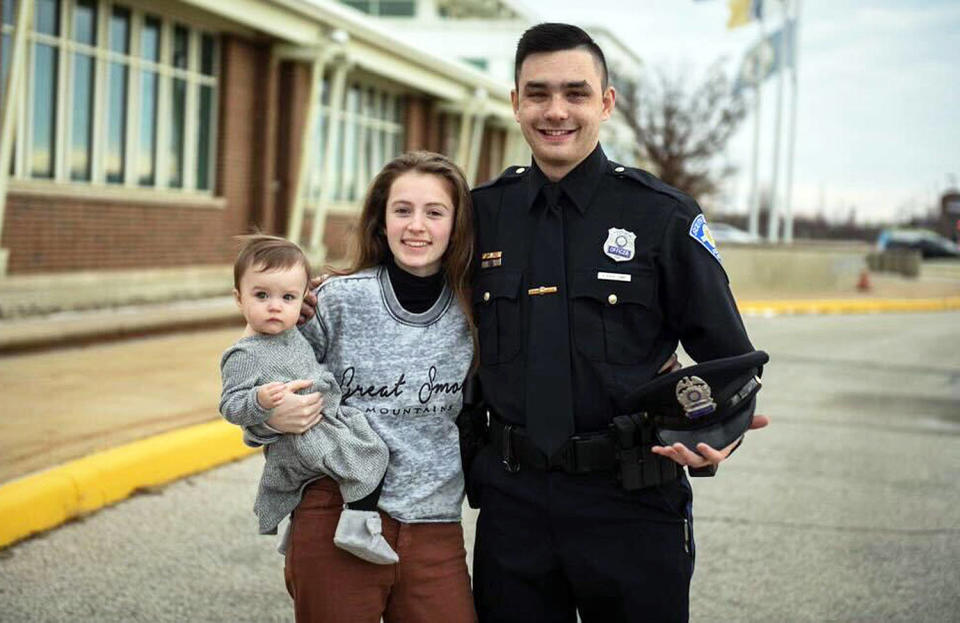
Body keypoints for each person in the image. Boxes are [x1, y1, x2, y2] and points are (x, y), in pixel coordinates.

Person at [465, 23, 769, 623]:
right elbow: (413, 293)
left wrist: (715, 437)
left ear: (606, 103)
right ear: (515, 102)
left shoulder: (662, 216)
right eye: (539, 93)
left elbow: (728, 357)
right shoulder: (480, 215)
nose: (556, 111)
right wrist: (322, 303)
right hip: (513, 508)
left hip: (631, 503)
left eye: (576, 93)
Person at [245, 152, 477, 623]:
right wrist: (268, 415)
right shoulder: (336, 300)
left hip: (434, 526)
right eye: (402, 210)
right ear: (381, 220)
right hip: (334, 516)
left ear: (456, 225)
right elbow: (260, 386)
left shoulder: (475, 310)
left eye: (435, 212)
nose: (417, 226)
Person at [219, 234, 397, 565]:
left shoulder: (290, 333)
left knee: (363, 447)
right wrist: (259, 400)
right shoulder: (243, 354)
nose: (275, 306)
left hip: (321, 420)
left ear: (302, 300)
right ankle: (358, 525)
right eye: (261, 295)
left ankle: (298, 527)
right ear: (239, 298)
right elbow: (229, 405)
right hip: (302, 437)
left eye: (287, 297)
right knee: (368, 456)